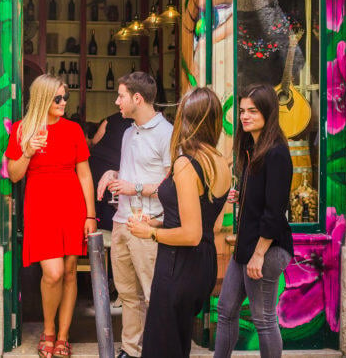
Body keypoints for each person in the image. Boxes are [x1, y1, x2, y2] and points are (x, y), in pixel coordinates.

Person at [126, 87, 231, 357]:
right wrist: (160, 223)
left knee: (160, 348)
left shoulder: (187, 163)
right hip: (203, 265)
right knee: (176, 345)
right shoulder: (219, 162)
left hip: (178, 265)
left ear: (187, 119)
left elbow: (191, 233)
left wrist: (149, 233)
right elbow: (211, 224)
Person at [5, 74, 96, 358]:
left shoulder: (73, 130)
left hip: (72, 205)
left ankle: (63, 336)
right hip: (40, 207)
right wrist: (29, 152)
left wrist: (91, 216)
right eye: (58, 98)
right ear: (43, 97)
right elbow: (15, 175)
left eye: (65, 97)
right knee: (53, 273)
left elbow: (84, 174)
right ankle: (48, 330)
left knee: (69, 273)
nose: (63, 102)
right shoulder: (21, 130)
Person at [96, 71, 172, 358]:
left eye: (121, 96)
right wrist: (112, 174)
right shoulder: (128, 132)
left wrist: (134, 187)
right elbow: (130, 174)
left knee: (153, 294)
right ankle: (131, 350)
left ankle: (157, 350)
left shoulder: (166, 134)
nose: (117, 102)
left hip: (148, 224)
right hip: (121, 222)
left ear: (137, 99)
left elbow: (171, 186)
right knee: (127, 294)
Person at [214, 84, 294, 358]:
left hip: (266, 249)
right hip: (246, 248)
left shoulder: (277, 152)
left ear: (268, 113)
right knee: (225, 311)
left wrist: (259, 254)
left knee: (263, 320)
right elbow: (262, 197)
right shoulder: (253, 147)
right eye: (242, 111)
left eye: (253, 111)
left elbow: (275, 212)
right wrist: (242, 195)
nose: (244, 116)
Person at [88, 112, 131, 231]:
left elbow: (95, 140)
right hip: (114, 169)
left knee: (95, 204)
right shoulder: (140, 123)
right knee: (108, 210)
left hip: (95, 164)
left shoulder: (112, 117)